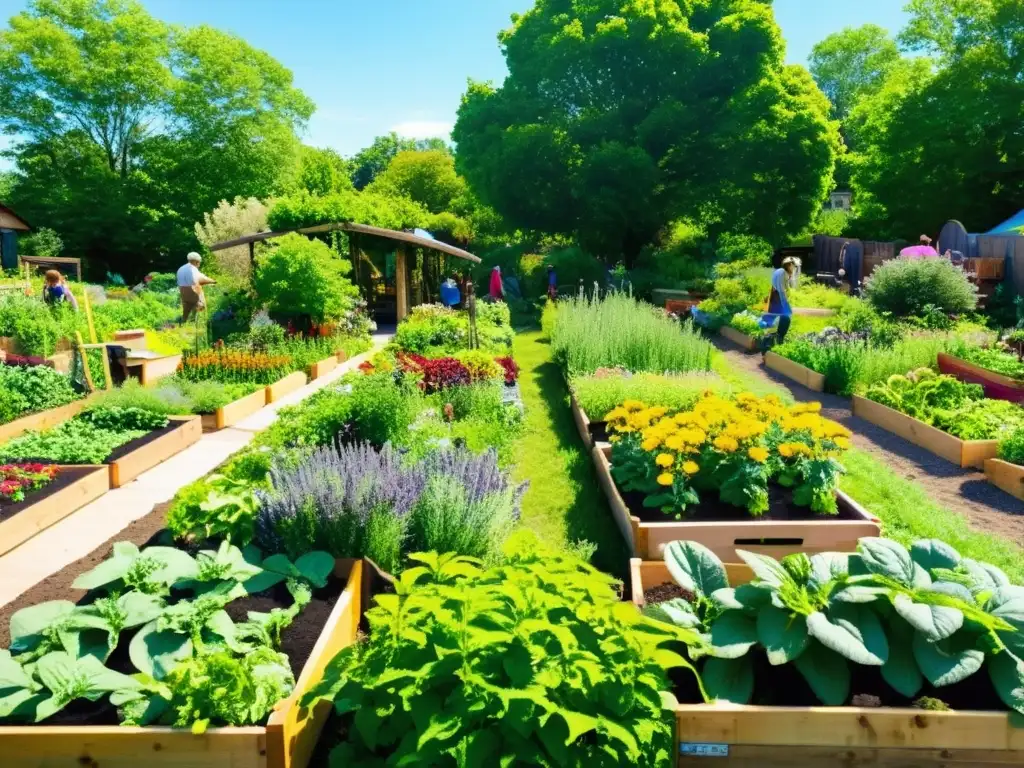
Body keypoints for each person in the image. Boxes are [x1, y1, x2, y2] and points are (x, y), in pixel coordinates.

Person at [761, 257, 799, 353]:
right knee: (783, 323)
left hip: (774, 300)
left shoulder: (781, 272)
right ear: (789, 265)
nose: (794, 268)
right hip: (777, 301)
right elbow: (781, 290)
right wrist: (785, 305)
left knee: (776, 326)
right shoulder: (782, 273)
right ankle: (771, 348)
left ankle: (769, 349)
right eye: (793, 266)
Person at [176, 252, 215, 324]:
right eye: (199, 263)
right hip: (191, 290)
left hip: (182, 290)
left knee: (187, 308)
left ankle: (184, 322)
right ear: (196, 262)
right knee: (201, 304)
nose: (199, 265)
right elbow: (201, 278)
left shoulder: (181, 268)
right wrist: (213, 281)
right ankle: (203, 321)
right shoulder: (193, 269)